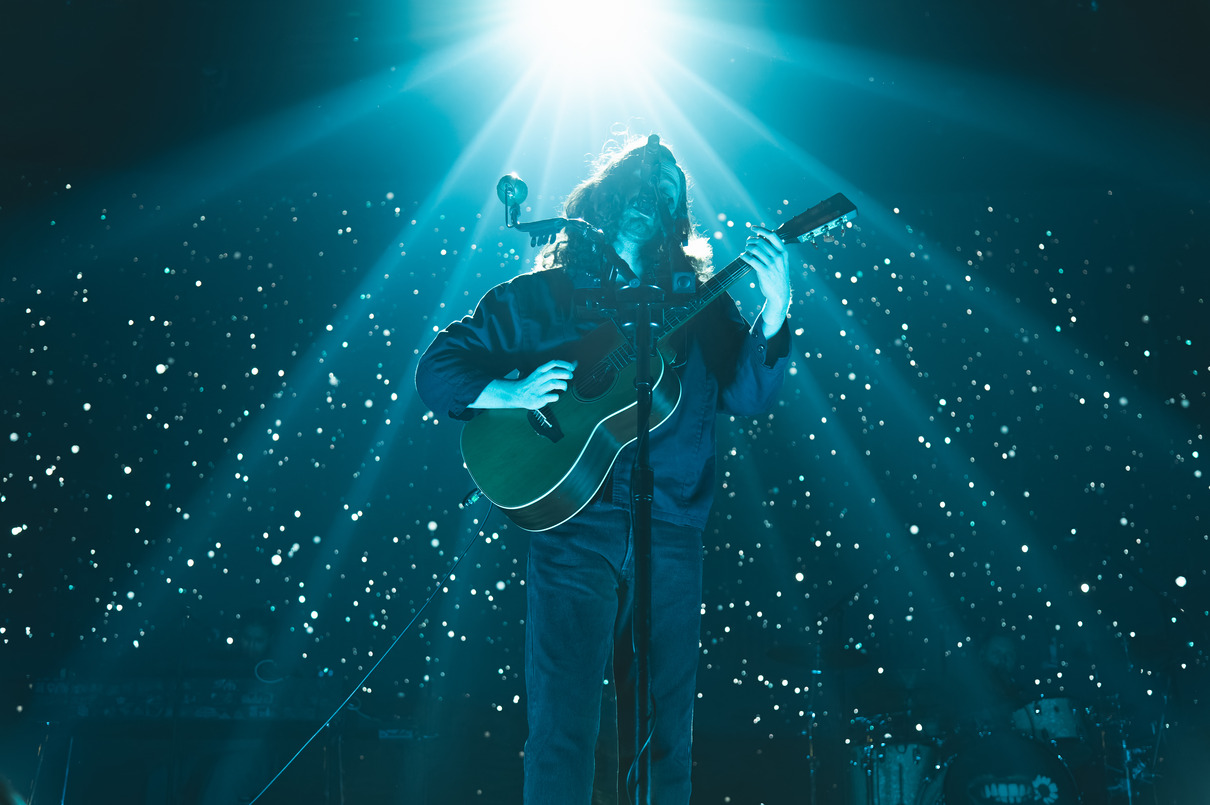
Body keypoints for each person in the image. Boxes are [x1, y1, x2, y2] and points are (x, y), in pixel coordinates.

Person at [415, 137, 791, 804]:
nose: (654, 193)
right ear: (609, 193)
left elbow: (748, 395)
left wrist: (778, 304)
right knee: (562, 731)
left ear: (680, 217)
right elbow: (438, 366)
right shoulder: (546, 297)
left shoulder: (703, 305)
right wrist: (508, 392)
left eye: (670, 189)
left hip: (671, 527)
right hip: (572, 526)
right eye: (643, 180)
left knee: (665, 735)